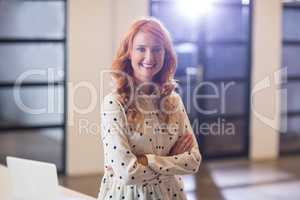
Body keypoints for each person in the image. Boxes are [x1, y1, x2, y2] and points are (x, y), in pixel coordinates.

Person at [98, 17, 201, 200]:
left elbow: (193, 161)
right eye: (141, 49)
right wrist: (172, 158)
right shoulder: (114, 104)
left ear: (165, 54)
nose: (149, 57)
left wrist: (148, 160)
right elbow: (127, 173)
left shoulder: (173, 101)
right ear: (129, 53)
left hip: (171, 194)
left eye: (157, 49)